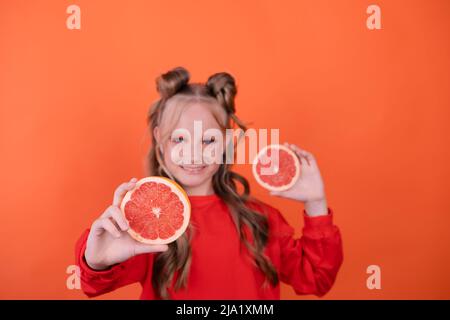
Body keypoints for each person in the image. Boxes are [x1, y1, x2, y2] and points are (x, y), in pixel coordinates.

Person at [75, 66, 343, 299]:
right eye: (180, 139)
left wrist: (316, 203)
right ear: (160, 138)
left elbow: (318, 279)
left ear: (226, 142)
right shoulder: (144, 225)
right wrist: (95, 261)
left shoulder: (261, 220)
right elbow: (92, 284)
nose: (194, 153)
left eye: (208, 140)